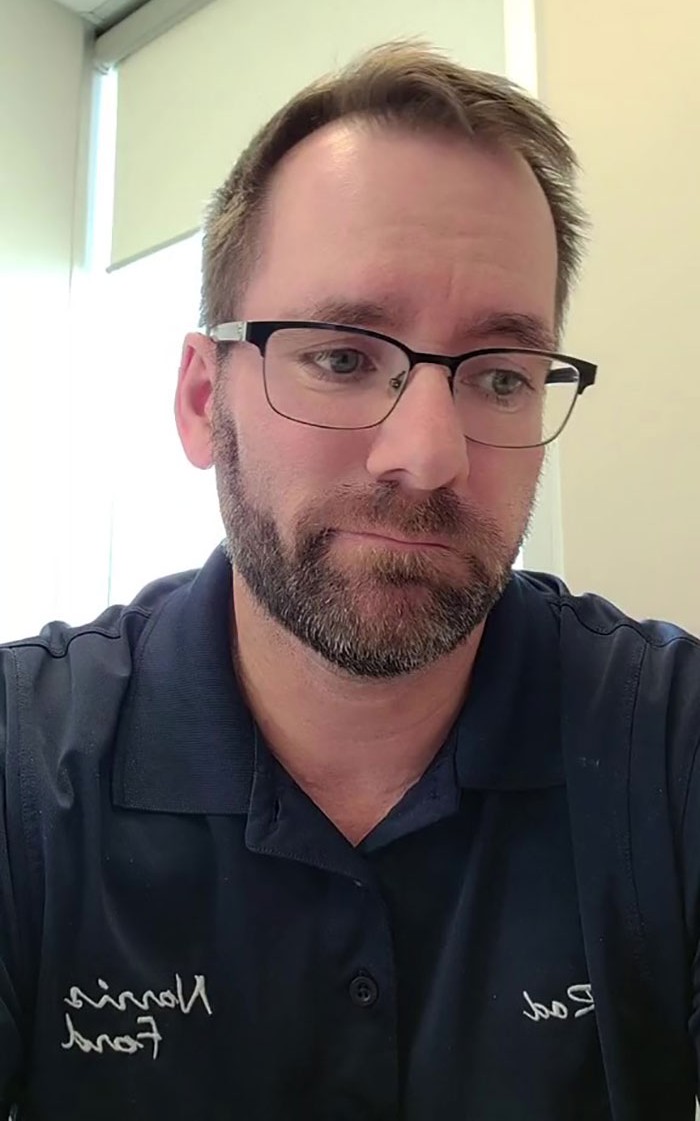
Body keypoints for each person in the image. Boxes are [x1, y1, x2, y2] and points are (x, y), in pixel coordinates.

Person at [1, 40, 699, 1121]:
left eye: (500, 376)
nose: (427, 455)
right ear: (204, 400)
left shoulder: (667, 742)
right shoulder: (24, 769)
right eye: (341, 356)